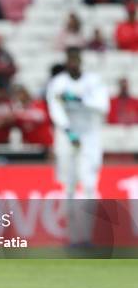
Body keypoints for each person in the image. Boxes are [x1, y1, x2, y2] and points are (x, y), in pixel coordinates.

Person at [46, 47, 109, 199]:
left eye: (76, 60)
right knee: (69, 184)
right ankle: (71, 221)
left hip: (89, 133)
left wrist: (79, 99)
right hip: (67, 134)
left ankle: (90, 221)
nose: (73, 64)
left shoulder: (94, 81)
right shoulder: (58, 83)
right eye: (70, 60)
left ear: (80, 61)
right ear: (66, 62)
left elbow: (103, 106)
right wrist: (68, 131)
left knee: (89, 182)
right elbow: (55, 109)